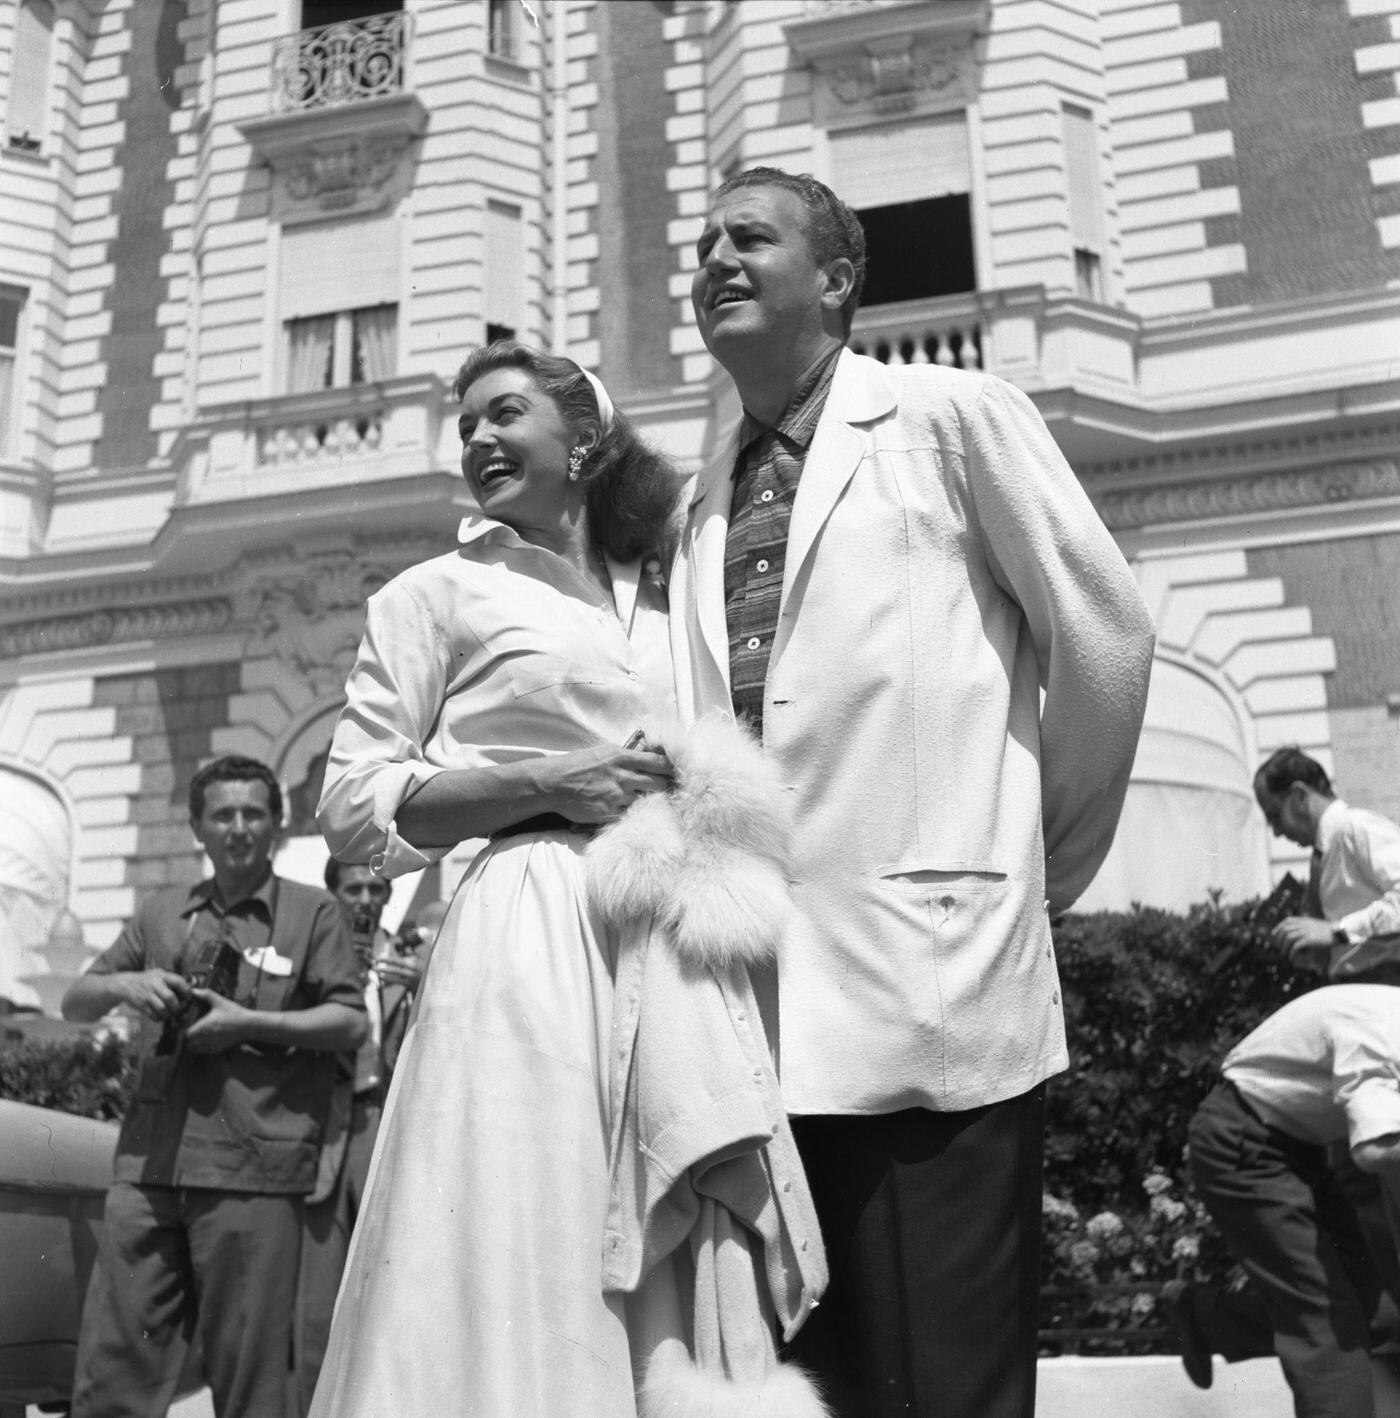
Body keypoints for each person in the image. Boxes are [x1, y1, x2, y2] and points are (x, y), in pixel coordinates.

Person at [670, 166, 1156, 1418]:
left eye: (748, 237)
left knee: (944, 1383)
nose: (714, 258)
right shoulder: (701, 496)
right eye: (703, 242)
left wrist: (1028, 862)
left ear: (835, 278)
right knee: (823, 1385)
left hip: (931, 993)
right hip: (761, 1019)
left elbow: (1102, 639)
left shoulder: (952, 415)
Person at [308, 341, 825, 1416]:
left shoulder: (678, 585)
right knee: (529, 1205)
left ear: (585, 436)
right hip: (528, 924)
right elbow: (351, 804)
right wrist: (546, 779)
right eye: (467, 427)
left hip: (674, 935)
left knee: (669, 1219)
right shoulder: (434, 594)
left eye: (504, 413)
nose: (478, 440)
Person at [60, 755, 367, 1418]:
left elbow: (349, 1021)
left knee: (251, 1382)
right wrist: (129, 983)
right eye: (222, 815)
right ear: (197, 827)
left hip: (253, 1174)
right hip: (149, 1169)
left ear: (277, 825)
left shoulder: (313, 913)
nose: (238, 828)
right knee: (114, 1372)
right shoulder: (163, 913)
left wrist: (247, 1023)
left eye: (253, 813)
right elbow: (76, 1000)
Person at [1173, 985, 1400, 1416]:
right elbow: (1374, 1151)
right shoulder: (1385, 1030)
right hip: (1241, 1140)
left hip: (1299, 1148)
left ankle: (1208, 1317)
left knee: (1380, 1315)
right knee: (1329, 1323)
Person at [292, 860, 425, 1417]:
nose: (366, 900)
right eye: (354, 889)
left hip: (379, 1121)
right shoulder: (311, 952)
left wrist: (420, 987)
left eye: (376, 889)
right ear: (333, 893)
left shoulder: (410, 955)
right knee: (316, 1301)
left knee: (387, 1285)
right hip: (322, 1127)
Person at [1254, 747, 1400, 981]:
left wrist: (1336, 932)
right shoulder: (1326, 850)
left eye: (1275, 816)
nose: (1277, 832)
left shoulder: (1355, 827)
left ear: (1299, 796)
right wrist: (1314, 947)